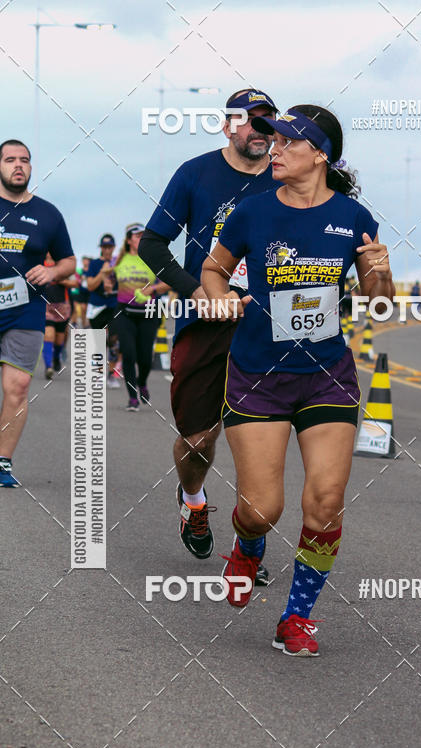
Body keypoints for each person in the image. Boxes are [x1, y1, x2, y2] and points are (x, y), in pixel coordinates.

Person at [202, 104, 394, 657]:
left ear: (320, 155)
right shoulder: (252, 213)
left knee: (326, 500)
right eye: (272, 141)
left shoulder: (354, 217)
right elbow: (214, 269)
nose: (275, 150)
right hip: (258, 374)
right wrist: (218, 301)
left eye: (287, 142)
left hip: (326, 375)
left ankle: (297, 617)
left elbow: (378, 305)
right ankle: (247, 545)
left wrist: (380, 267)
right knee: (263, 508)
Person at [139, 88, 277, 578]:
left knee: (257, 438)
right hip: (206, 323)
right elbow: (151, 242)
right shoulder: (195, 174)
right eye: (251, 122)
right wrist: (194, 289)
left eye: (269, 122)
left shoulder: (287, 175)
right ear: (228, 127)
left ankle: (250, 550)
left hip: (267, 327)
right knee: (198, 439)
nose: (261, 132)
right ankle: (193, 500)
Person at [0, 139, 75, 487]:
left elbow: (69, 261)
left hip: (25, 309)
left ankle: (3, 462)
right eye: (10, 159)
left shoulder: (48, 214)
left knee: (18, 385)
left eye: (25, 160)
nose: (18, 165)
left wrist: (52, 272)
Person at [112, 223, 168, 410]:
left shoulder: (152, 258)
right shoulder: (118, 260)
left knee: (145, 358)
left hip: (148, 314)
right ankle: (132, 397)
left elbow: (168, 281)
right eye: (137, 236)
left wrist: (152, 288)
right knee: (128, 354)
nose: (140, 239)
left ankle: (142, 382)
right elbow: (106, 279)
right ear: (129, 240)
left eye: (143, 235)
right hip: (125, 314)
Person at [86, 233, 120, 387]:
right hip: (97, 305)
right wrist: (103, 273)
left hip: (113, 305)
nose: (107, 250)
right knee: (99, 341)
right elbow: (90, 286)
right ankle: (98, 375)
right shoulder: (94, 264)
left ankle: (111, 375)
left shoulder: (119, 264)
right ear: (100, 248)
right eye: (104, 247)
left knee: (114, 340)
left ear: (113, 247)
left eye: (109, 247)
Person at [42, 253, 73, 379]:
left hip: (61, 307)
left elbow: (75, 283)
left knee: (60, 340)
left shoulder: (61, 265)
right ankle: (48, 367)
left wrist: (61, 280)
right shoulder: (39, 263)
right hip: (46, 307)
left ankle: (56, 358)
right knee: (49, 336)